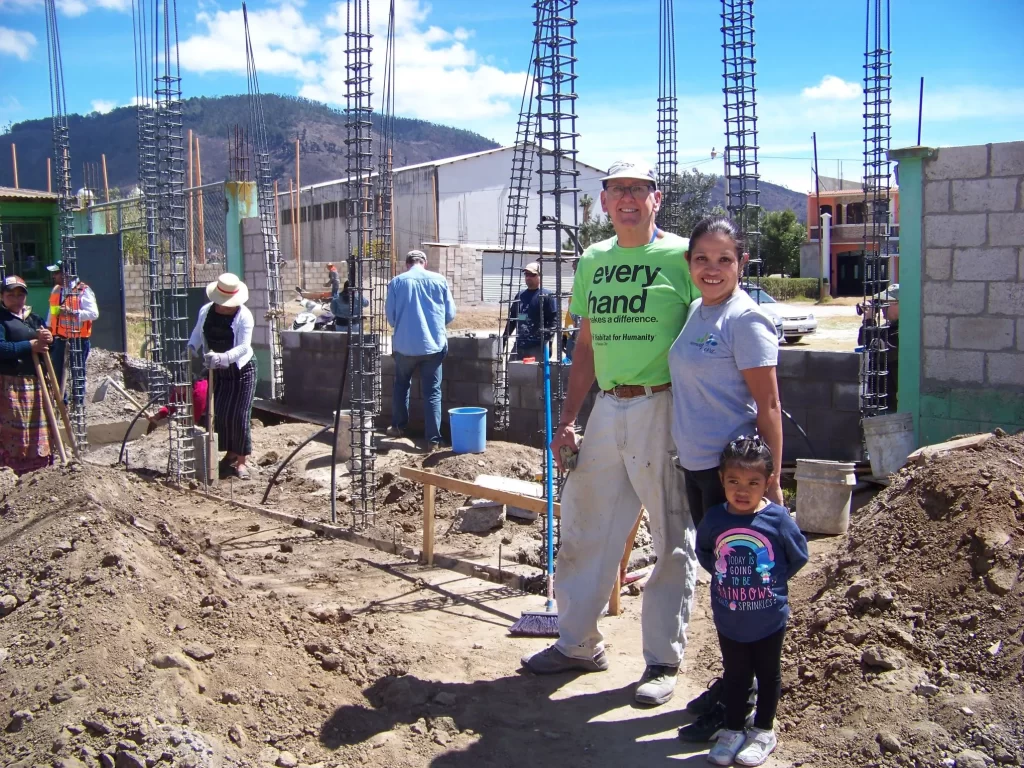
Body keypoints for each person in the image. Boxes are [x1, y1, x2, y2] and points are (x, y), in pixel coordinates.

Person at [521, 160, 702, 709]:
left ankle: (661, 661)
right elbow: (587, 346)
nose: (628, 198)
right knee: (584, 525)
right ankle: (577, 643)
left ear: (657, 199)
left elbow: (710, 331)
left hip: (663, 407)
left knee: (671, 538)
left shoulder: (680, 257)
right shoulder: (594, 261)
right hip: (607, 408)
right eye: (618, 190)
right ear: (604, 202)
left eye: (638, 190)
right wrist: (571, 415)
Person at [667, 217, 784, 741]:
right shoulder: (698, 310)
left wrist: (773, 484)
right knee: (724, 587)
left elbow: (770, 405)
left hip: (731, 481)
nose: (712, 270)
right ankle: (732, 687)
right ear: (690, 263)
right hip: (696, 470)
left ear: (741, 264)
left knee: (741, 592)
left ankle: (745, 702)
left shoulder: (745, 319)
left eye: (724, 260)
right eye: (702, 259)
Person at [696, 437, 808, 766]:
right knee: (735, 673)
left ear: (768, 482)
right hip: (729, 617)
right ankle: (732, 730)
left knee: (768, 673)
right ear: (721, 480)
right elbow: (705, 551)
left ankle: (763, 731)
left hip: (769, 617)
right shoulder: (715, 519)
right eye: (734, 482)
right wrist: (724, 577)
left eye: (752, 483)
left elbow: (799, 555)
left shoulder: (777, 520)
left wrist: (770, 581)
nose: (742, 491)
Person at [385, 250, 456, 451]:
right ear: (424, 263)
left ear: (407, 264)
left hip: (404, 347)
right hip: (433, 347)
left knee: (401, 385)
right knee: (432, 392)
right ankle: (433, 440)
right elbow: (450, 314)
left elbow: (390, 317)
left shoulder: (397, 282)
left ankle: (398, 427)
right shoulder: (439, 280)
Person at [188, 273, 257, 480]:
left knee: (239, 415)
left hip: (241, 370)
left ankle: (242, 462)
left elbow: (244, 347)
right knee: (220, 412)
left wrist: (223, 357)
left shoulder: (244, 316)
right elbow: (198, 332)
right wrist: (192, 347)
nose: (225, 307)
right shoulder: (206, 311)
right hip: (217, 370)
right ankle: (230, 454)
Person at [0, 275, 55, 474]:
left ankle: (39, 470)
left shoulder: (34, 318)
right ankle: (11, 470)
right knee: (15, 429)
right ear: (2, 297)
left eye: (20, 295)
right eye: (10, 295)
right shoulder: (2, 319)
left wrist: (49, 340)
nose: (16, 299)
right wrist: (28, 345)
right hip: (10, 384)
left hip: (36, 381)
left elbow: (47, 347)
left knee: (38, 428)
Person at [45, 260, 98, 406]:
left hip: (78, 340)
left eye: (56, 273)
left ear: (66, 274)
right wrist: (47, 329)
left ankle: (78, 405)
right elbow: (51, 313)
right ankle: (62, 404)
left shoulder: (83, 290)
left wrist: (74, 313)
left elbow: (93, 313)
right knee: (57, 372)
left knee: (77, 374)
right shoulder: (57, 290)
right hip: (60, 339)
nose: (53, 276)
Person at [502, 262, 557, 361]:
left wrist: (546, 339)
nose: (528, 277)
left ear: (540, 276)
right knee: (513, 372)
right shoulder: (520, 296)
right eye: (526, 274)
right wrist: (504, 339)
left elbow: (554, 321)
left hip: (537, 347)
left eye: (532, 275)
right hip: (520, 345)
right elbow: (513, 320)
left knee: (534, 374)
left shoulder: (546, 296)